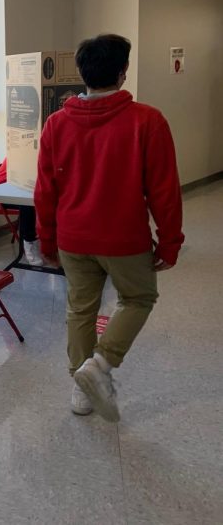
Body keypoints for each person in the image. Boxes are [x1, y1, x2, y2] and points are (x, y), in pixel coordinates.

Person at [34, 33, 183, 423]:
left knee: (80, 309)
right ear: (123, 72)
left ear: (82, 73)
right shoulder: (147, 121)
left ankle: (79, 390)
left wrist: (46, 241)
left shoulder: (56, 124)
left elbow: (45, 191)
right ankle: (99, 366)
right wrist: (170, 243)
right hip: (124, 238)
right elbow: (164, 192)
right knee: (138, 299)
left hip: (73, 238)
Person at [0, 158, 43, 265]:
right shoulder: (23, 152)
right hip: (4, 190)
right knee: (29, 204)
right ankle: (30, 242)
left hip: (24, 186)